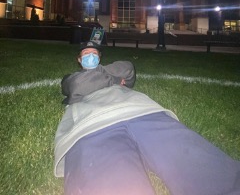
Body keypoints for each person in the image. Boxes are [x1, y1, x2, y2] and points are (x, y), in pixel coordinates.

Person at [54, 42, 240, 195]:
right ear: (79, 60)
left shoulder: (112, 71)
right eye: (86, 54)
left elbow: (127, 68)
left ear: (100, 58)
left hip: (143, 112)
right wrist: (113, 78)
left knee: (206, 168)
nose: (90, 56)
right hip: (93, 125)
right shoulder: (71, 78)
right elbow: (77, 86)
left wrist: (99, 77)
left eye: (94, 53)